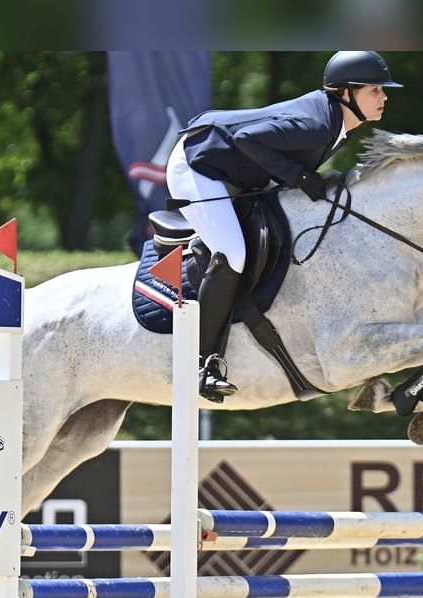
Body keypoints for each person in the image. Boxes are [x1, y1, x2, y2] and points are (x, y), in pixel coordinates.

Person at [166, 51, 403, 403]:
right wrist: (301, 176)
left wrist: (307, 179)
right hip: (198, 166)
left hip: (231, 169)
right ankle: (203, 363)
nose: (383, 97)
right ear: (345, 93)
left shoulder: (336, 125)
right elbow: (247, 139)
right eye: (374, 90)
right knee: (232, 252)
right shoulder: (318, 125)